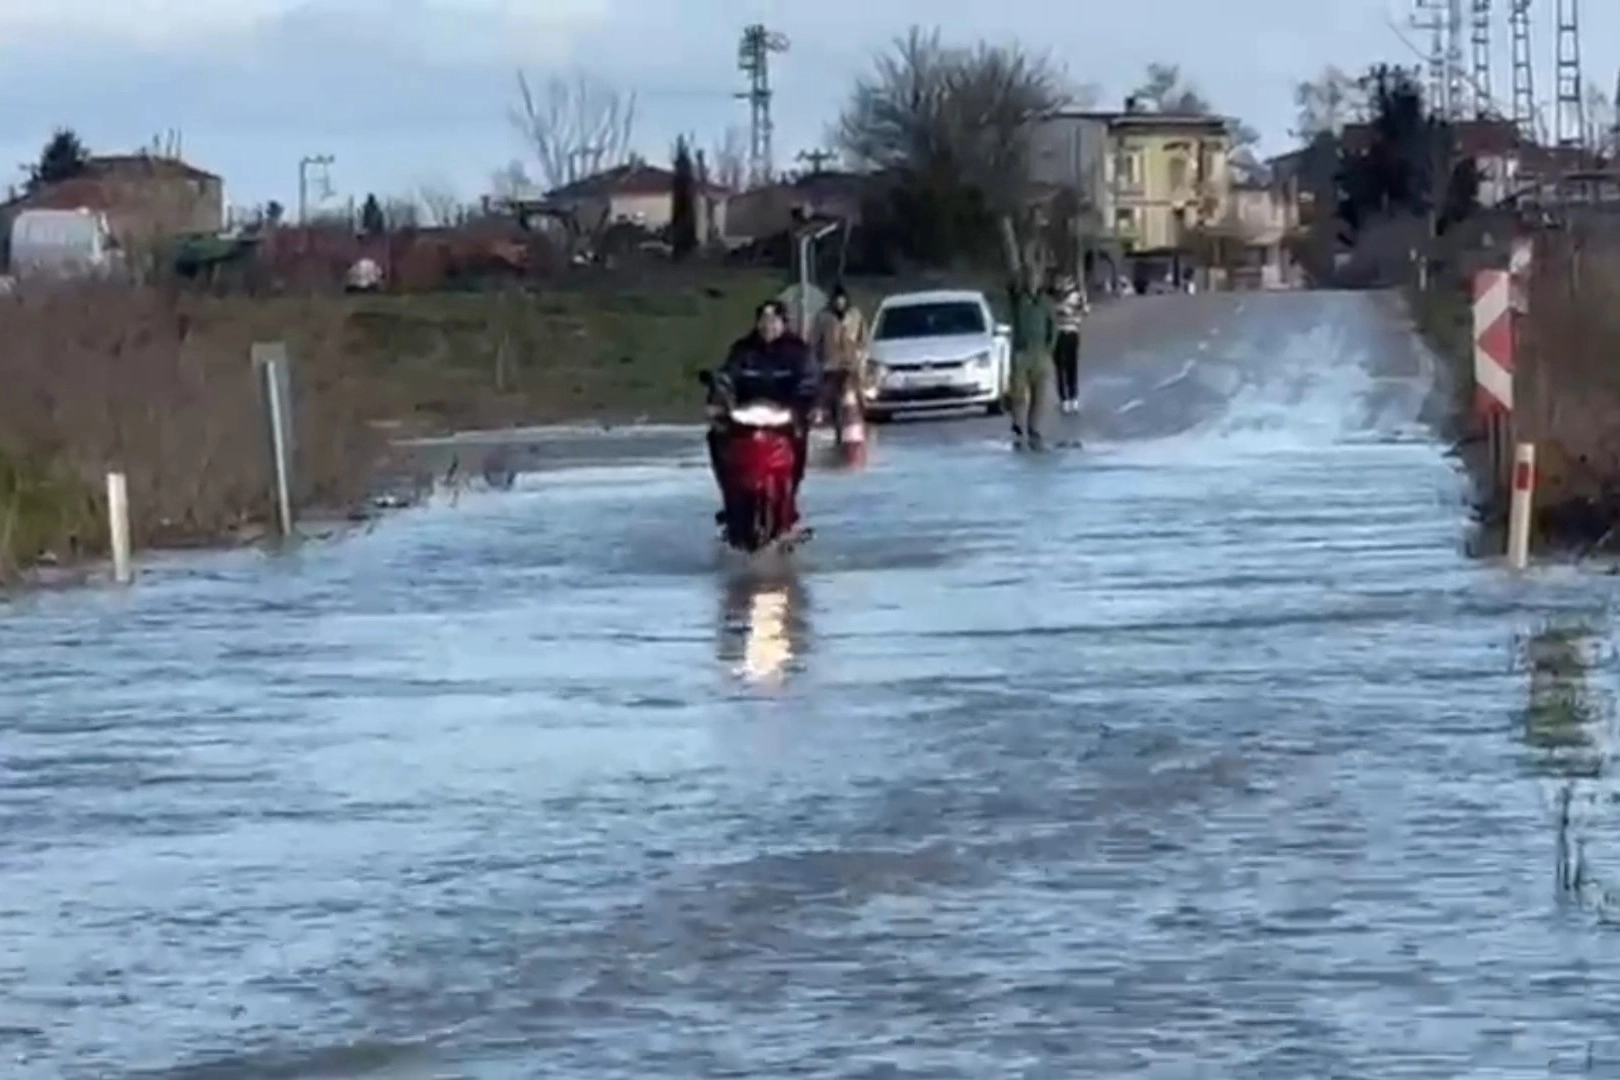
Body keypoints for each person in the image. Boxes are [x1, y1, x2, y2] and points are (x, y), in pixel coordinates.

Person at [706, 300, 820, 523]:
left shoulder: (799, 351)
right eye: (764, 320)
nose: (768, 326)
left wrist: (802, 408)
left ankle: (789, 498)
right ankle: (731, 498)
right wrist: (718, 400)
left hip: (785, 419)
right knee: (716, 439)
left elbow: (810, 382)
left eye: (774, 321)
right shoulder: (743, 350)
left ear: (784, 323)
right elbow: (727, 377)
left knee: (799, 443)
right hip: (746, 418)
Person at [1006, 265, 1058, 450]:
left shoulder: (1046, 302)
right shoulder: (1019, 299)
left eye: (1035, 278)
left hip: (1040, 352)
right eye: (1028, 278)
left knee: (1039, 395)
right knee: (1018, 393)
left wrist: (1048, 349)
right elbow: (1011, 285)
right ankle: (1018, 425)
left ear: (1040, 281)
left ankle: (1034, 428)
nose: (1032, 282)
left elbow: (1053, 327)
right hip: (1022, 352)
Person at [809, 284, 868, 429]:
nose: (839, 303)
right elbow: (814, 340)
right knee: (828, 393)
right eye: (837, 300)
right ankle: (827, 416)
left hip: (851, 363)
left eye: (842, 300)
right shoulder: (823, 317)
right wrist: (817, 359)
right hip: (830, 364)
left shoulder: (855, 315)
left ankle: (863, 413)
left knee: (858, 391)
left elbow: (863, 338)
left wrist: (860, 354)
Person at [1052, 275, 1087, 415]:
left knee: (1069, 367)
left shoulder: (1076, 297)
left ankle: (1071, 397)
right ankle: (1066, 398)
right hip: (1061, 334)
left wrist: (1074, 309)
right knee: (1062, 367)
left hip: (1070, 332)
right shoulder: (1056, 298)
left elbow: (1084, 311)